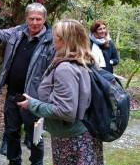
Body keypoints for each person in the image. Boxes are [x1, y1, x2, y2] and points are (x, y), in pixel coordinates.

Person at [0, 2, 55, 165]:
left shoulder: (51, 41)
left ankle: (37, 162)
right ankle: (14, 161)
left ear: (44, 19)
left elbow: (55, 70)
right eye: (32, 18)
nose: (35, 22)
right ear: (26, 18)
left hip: (35, 98)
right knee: (11, 132)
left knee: (36, 135)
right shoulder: (17, 33)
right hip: (13, 95)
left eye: (38, 19)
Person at [17, 19, 104, 165]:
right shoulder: (86, 60)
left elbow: (65, 111)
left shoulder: (65, 68)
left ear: (64, 40)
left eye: (55, 35)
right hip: (86, 133)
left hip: (72, 140)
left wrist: (32, 104)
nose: (52, 39)